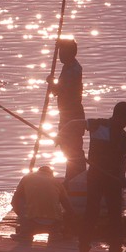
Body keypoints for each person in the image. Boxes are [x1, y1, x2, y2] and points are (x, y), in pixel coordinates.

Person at [73, 101, 126, 252]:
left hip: (113, 180)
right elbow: (73, 123)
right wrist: (60, 137)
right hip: (96, 177)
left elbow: (123, 160)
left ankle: (115, 250)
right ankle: (83, 248)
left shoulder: (124, 137)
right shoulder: (99, 126)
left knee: (115, 214)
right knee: (91, 212)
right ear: (121, 116)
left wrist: (123, 177)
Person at [47, 38, 86, 185]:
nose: (59, 56)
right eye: (59, 52)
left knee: (73, 149)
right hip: (66, 113)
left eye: (62, 52)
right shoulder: (68, 67)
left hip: (73, 114)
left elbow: (61, 90)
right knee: (66, 147)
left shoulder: (74, 70)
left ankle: (76, 179)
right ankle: (72, 178)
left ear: (69, 53)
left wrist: (51, 82)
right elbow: (58, 91)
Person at [11, 165, 76, 243]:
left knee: (20, 198)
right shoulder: (57, 182)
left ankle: (25, 234)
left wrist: (21, 216)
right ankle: (55, 234)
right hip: (54, 223)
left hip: (31, 222)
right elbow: (68, 207)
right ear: (51, 174)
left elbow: (14, 201)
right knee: (61, 205)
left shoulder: (27, 178)